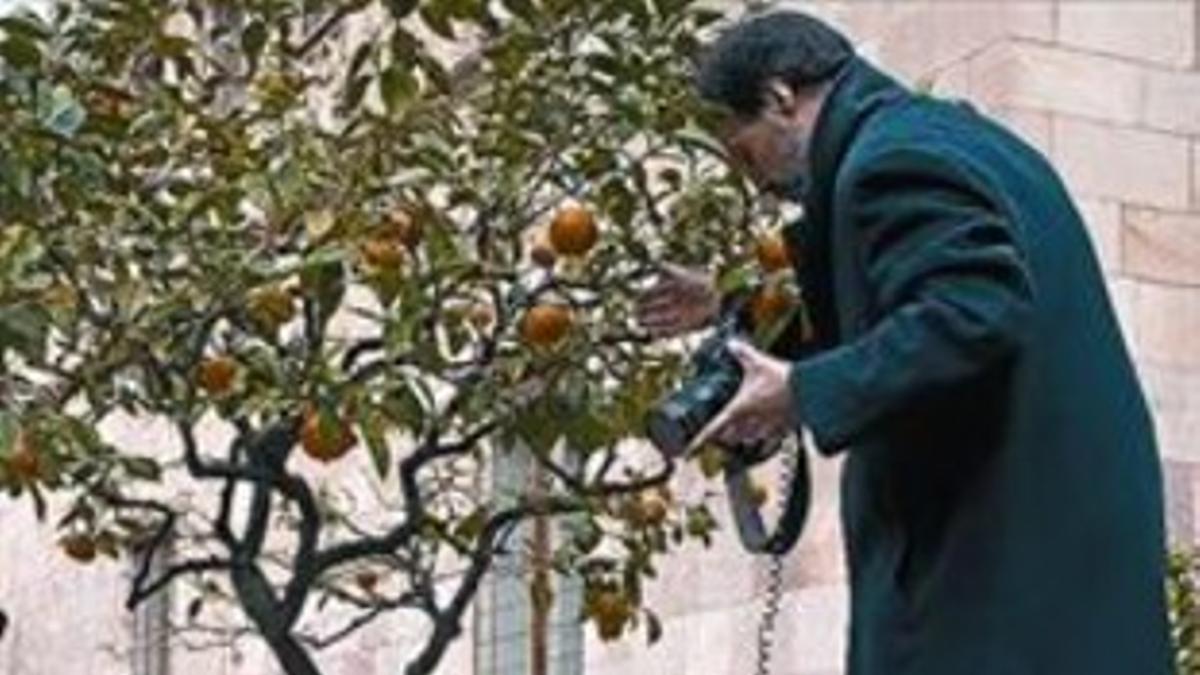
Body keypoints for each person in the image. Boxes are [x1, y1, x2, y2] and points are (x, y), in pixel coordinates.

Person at [635, 10, 1175, 675]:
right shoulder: (960, 138)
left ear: (781, 98)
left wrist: (802, 392)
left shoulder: (890, 160)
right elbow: (908, 302)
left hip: (987, 585)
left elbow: (974, 310)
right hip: (1053, 575)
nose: (753, 180)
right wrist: (730, 304)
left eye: (743, 151)